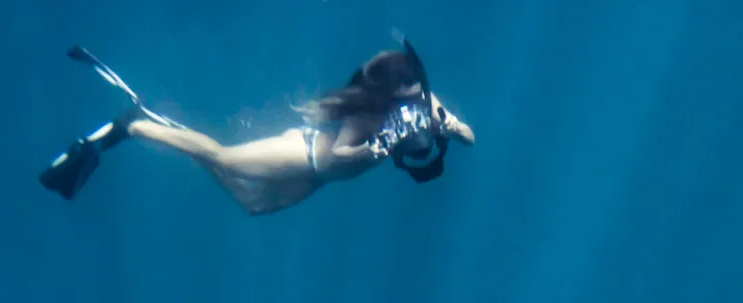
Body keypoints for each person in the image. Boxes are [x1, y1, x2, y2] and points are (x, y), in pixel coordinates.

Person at [39, 41, 474, 215]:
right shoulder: (369, 114)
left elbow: (469, 137)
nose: (419, 86)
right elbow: (344, 151)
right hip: (305, 156)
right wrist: (362, 154)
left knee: (255, 206)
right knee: (225, 157)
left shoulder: (425, 102)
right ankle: (136, 128)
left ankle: (166, 132)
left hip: (317, 178)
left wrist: (451, 125)